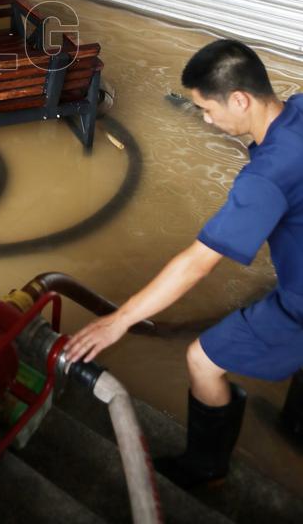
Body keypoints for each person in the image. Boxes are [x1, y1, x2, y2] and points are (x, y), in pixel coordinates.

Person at [63, 39, 303, 488]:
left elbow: (197, 263)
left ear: (240, 99)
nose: (207, 121)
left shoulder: (267, 176)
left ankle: (206, 468)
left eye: (207, 110)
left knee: (203, 359)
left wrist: (121, 319)